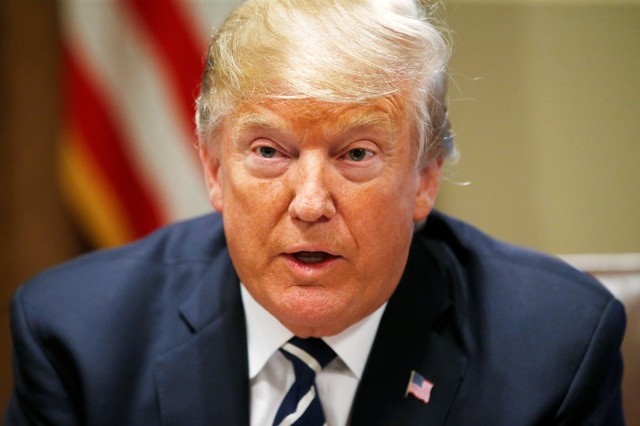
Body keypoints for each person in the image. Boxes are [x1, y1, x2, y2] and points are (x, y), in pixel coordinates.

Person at [6, 0, 626, 425]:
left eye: (356, 153)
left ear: (425, 177)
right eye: (269, 151)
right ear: (215, 171)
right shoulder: (77, 337)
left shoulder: (554, 349)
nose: (308, 203)